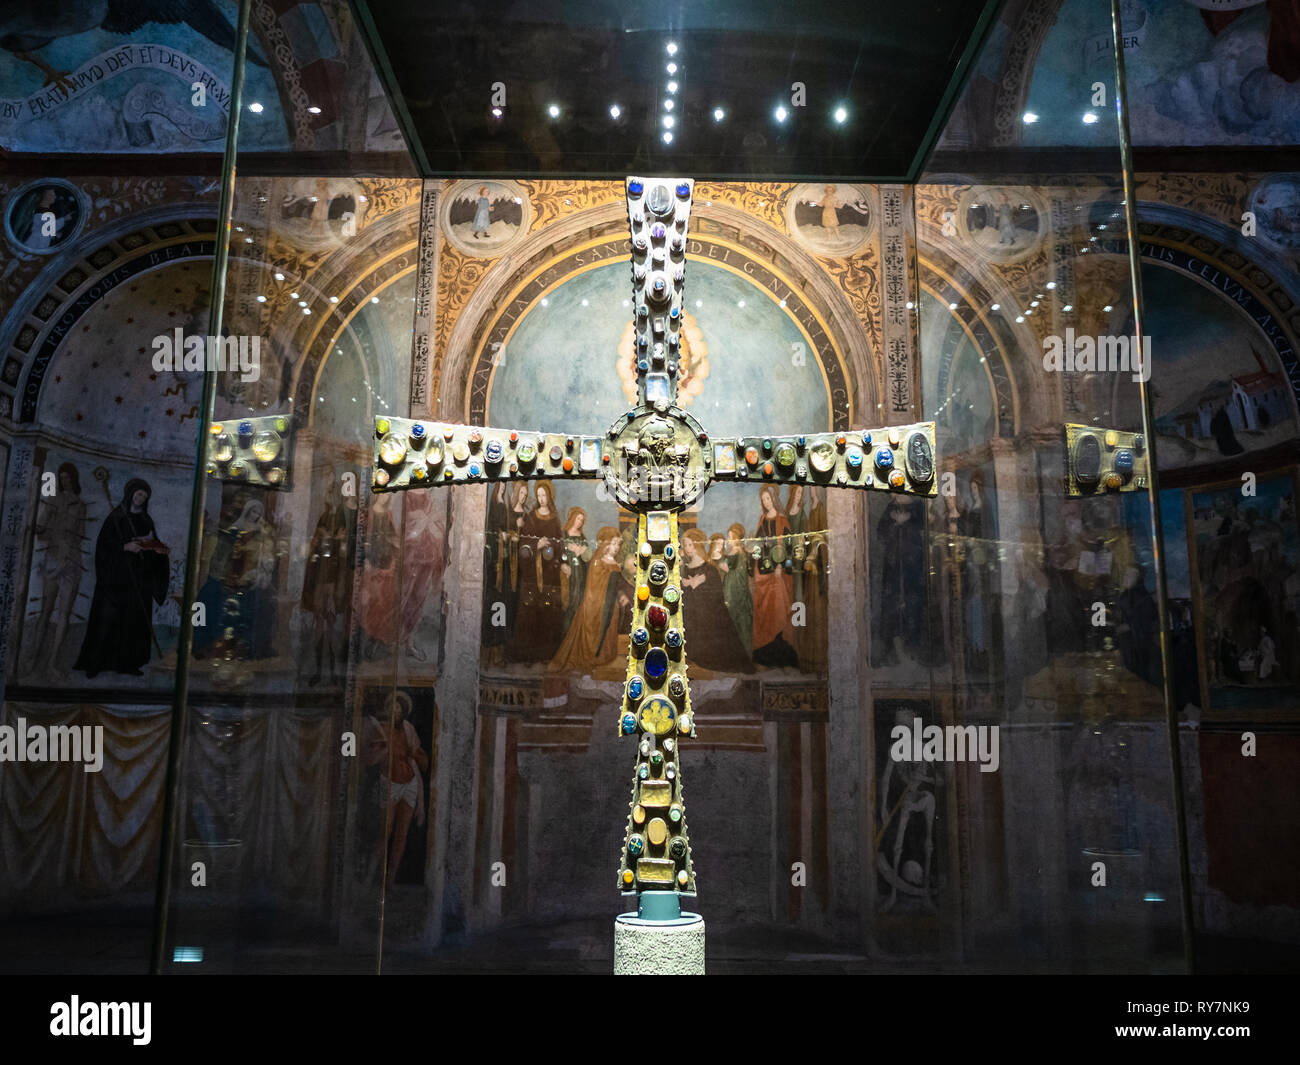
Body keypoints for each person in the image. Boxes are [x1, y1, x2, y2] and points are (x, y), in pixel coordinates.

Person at [73, 478, 169, 678]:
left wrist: (158, 552)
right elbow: (103, 548)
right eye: (139, 493)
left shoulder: (146, 521)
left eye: (144, 496)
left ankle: (128, 664)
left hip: (138, 580)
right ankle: (95, 663)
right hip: (115, 578)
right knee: (106, 620)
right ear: (131, 493)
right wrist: (124, 547)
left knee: (133, 622)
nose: (141, 498)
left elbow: (152, 545)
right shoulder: (116, 517)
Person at [24, 462, 87, 676]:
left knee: (64, 614)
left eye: (68, 478)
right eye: (61, 478)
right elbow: (40, 529)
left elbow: (79, 534)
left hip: (71, 562)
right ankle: (34, 658)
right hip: (53, 559)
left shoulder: (80, 504)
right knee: (46, 611)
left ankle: (53, 663)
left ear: (74, 479)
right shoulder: (53, 500)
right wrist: (40, 526)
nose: (64, 481)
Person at [364, 690, 428, 887]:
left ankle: (390, 878)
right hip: (390, 783)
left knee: (402, 834)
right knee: (385, 831)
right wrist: (380, 750)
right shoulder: (381, 729)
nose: (394, 710)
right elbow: (371, 759)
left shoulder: (408, 729)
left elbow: (422, 762)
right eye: (391, 707)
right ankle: (370, 875)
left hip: (409, 783)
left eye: (398, 707)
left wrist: (414, 754)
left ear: (404, 711)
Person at [301, 477, 352, 685]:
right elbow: (314, 549)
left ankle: (332, 673)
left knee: (332, 631)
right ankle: (319, 671)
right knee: (319, 630)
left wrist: (334, 541)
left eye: (332, 492)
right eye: (328, 492)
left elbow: (342, 548)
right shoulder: (324, 517)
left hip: (334, 581)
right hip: (320, 580)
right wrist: (320, 541)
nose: (329, 496)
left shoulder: (340, 518)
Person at [550, 526, 622, 672]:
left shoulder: (614, 562)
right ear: (605, 544)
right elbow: (593, 585)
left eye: (618, 544)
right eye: (613, 543)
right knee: (591, 632)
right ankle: (591, 656)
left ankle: (602, 656)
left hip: (610, 605)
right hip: (596, 604)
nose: (616, 547)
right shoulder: (597, 561)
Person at [681, 527, 751, 672]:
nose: (687, 548)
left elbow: (712, 594)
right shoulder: (686, 567)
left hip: (710, 618)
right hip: (692, 616)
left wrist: (693, 582)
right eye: (685, 545)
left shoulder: (709, 569)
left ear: (697, 544)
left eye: (690, 544)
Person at [511, 480, 564, 661]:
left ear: (549, 497)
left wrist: (553, 548)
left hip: (550, 573)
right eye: (539, 495)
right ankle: (526, 656)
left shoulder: (555, 518)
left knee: (547, 613)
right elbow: (524, 544)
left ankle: (545, 655)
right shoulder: (531, 517)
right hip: (532, 572)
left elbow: (560, 543)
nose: (542, 499)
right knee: (529, 612)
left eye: (544, 495)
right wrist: (537, 544)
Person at [752, 483, 798, 667]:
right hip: (764, 573)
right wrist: (753, 557)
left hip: (779, 575)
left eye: (768, 498)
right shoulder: (762, 520)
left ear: (773, 499)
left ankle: (783, 657)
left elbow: (788, 547)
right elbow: (757, 545)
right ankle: (766, 657)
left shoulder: (782, 520)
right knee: (766, 613)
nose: (766, 502)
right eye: (763, 499)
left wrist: (781, 566)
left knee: (779, 611)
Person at [719, 522, 753, 654]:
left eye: (731, 537)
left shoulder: (737, 551)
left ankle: (743, 655)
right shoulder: (740, 551)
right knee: (737, 622)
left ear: (738, 539)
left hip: (735, 589)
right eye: (728, 537)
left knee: (738, 621)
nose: (729, 540)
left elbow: (726, 567)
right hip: (734, 587)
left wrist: (719, 558)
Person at [560, 506, 591, 632]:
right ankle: (565, 633)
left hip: (580, 573)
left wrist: (582, 551)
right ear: (572, 518)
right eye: (578, 519)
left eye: (582, 520)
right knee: (568, 602)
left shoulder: (582, 536)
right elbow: (559, 552)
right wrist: (563, 564)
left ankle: (573, 633)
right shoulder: (563, 534)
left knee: (578, 600)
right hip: (568, 572)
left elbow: (587, 556)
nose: (579, 522)